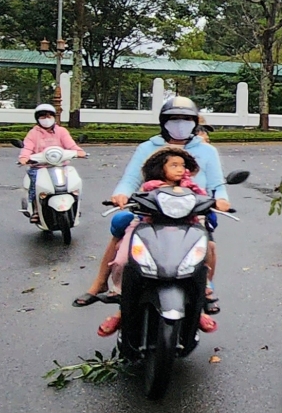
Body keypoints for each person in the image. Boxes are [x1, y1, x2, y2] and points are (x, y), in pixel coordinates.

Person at [73, 96, 231, 309]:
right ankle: (103, 285)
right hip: (151, 210)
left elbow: (217, 184)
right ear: (163, 122)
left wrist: (221, 200)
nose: (180, 123)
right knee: (124, 242)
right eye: (173, 118)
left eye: (186, 119)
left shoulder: (206, 151)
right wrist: (121, 194)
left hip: (192, 212)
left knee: (208, 245)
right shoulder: (148, 147)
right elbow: (130, 179)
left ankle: (204, 288)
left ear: (195, 122)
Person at [89, 146, 218, 338]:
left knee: (209, 248)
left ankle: (200, 298)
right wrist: (123, 198)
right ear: (160, 168)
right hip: (149, 229)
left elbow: (205, 199)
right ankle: (122, 305)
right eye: (174, 165)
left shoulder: (191, 187)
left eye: (182, 165)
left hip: (186, 229)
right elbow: (133, 195)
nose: (180, 169)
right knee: (124, 259)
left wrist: (216, 203)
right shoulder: (150, 187)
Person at [18, 103, 87, 217]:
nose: (46, 119)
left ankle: (76, 206)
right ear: (37, 119)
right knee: (34, 184)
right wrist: (24, 158)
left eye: (49, 116)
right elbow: (27, 147)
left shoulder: (61, 131)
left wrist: (79, 152)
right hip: (40, 167)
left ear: (54, 118)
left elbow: (71, 145)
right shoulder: (33, 133)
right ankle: (35, 209)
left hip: (61, 165)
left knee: (75, 182)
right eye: (43, 116)